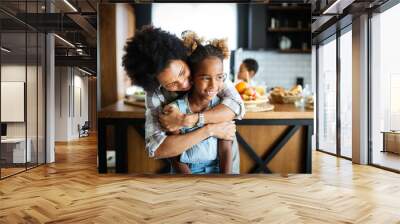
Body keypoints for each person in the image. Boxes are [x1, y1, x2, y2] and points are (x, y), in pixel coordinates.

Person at [122, 26, 245, 174]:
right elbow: (157, 148)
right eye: (171, 84)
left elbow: (236, 106)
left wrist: (190, 120)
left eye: (182, 72)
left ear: (183, 57)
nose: (184, 83)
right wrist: (210, 130)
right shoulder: (155, 95)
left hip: (224, 165)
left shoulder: (206, 67)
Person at [168, 34, 232, 174]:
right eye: (205, 78)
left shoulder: (221, 108)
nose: (213, 85)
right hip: (186, 175)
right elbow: (174, 155)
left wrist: (226, 181)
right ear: (192, 78)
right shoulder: (175, 110)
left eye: (219, 77)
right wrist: (193, 184)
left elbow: (225, 149)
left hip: (216, 173)